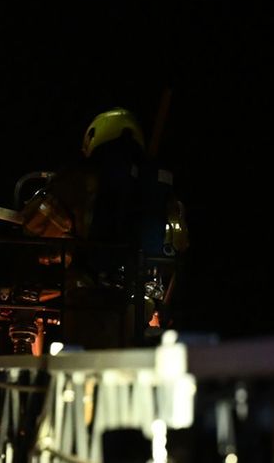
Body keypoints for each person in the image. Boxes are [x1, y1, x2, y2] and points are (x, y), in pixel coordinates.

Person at [20, 107, 188, 347]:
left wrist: (55, 254)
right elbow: (178, 250)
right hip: (143, 303)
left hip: (89, 300)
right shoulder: (160, 188)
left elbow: (36, 227)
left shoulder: (79, 177)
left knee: (85, 371)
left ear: (93, 137)